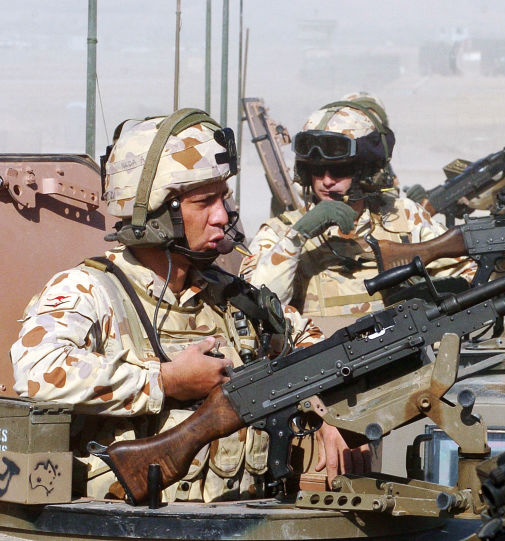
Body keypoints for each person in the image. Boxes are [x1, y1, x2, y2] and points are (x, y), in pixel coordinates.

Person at [10, 109, 363, 502]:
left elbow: (309, 342)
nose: (222, 216)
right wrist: (163, 380)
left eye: (223, 197)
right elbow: (36, 372)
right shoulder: (90, 290)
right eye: (204, 201)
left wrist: (329, 410)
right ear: (159, 212)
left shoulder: (231, 296)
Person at [240, 92, 474, 319]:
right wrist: (297, 237)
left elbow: (468, 274)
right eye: (317, 170)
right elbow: (259, 307)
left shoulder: (403, 216)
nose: (326, 181)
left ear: (365, 171)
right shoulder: (279, 232)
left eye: (339, 170)